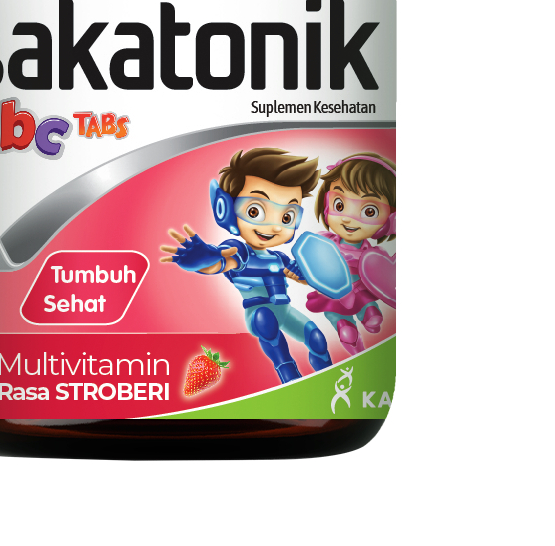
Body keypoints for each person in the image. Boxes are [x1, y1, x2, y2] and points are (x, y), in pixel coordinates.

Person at [160, 147, 332, 383]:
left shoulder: (278, 257)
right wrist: (202, 259)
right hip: (259, 314)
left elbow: (300, 275)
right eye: (255, 210)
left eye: (287, 216)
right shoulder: (240, 251)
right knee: (266, 322)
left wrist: (316, 277)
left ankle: (328, 379)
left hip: (285, 312)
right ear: (227, 210)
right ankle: (289, 376)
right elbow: (222, 262)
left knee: (317, 340)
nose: (275, 227)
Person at [305, 153, 396, 356]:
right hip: (335, 290)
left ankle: (365, 315)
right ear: (326, 203)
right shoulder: (324, 241)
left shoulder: (374, 255)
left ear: (390, 219)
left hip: (351, 291)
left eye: (369, 211)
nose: (348, 219)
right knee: (338, 311)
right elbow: (311, 263)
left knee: (352, 304)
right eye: (340, 205)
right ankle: (349, 324)